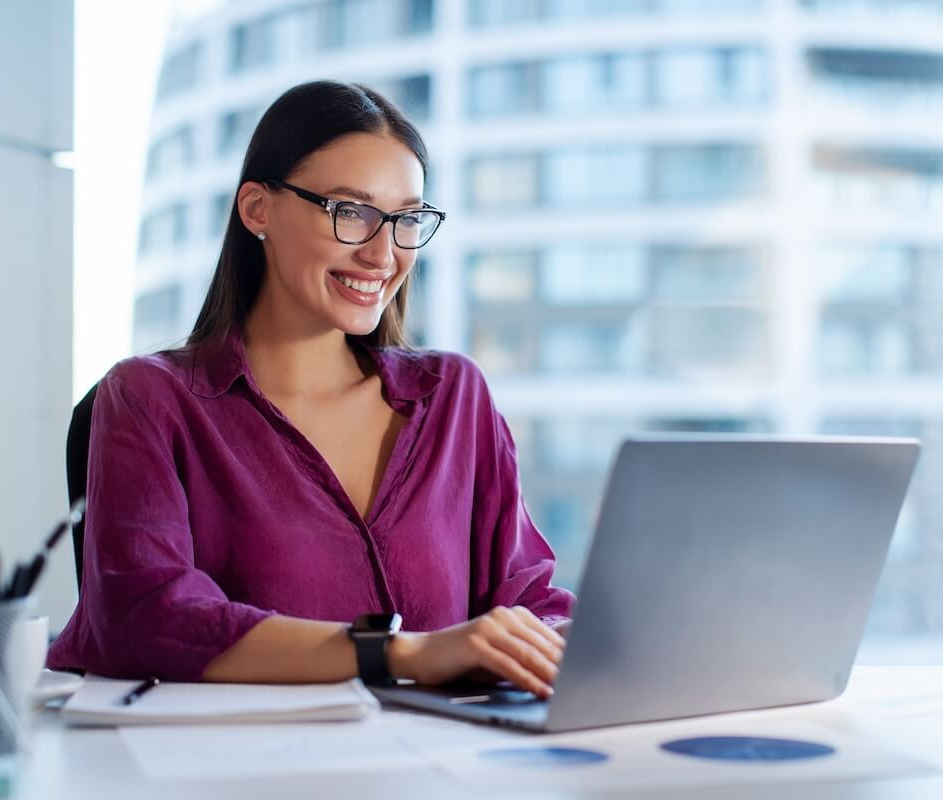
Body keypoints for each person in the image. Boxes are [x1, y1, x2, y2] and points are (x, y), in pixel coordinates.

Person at [47, 81, 573, 698]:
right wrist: (404, 653)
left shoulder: (454, 397)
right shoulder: (148, 398)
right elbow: (146, 616)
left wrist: (587, 643)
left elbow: (529, 600)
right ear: (257, 209)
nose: (383, 254)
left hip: (451, 753)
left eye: (406, 219)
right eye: (350, 212)